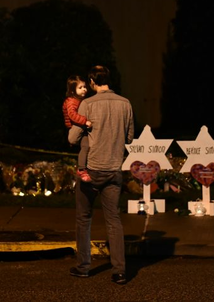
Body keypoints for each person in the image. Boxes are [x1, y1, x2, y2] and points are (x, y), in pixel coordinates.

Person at [68, 65, 134, 285]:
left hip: (92, 168)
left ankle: (84, 266)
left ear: (93, 82)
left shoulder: (87, 104)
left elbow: (72, 138)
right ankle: (120, 271)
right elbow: (130, 137)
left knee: (84, 219)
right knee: (114, 221)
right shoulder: (125, 103)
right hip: (114, 168)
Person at [63, 75, 93, 183]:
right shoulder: (72, 101)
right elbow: (72, 115)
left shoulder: (79, 100)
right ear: (72, 91)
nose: (84, 89)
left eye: (84, 87)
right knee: (85, 146)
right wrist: (85, 121)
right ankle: (81, 169)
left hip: (80, 127)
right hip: (75, 128)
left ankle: (84, 168)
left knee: (87, 146)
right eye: (80, 87)